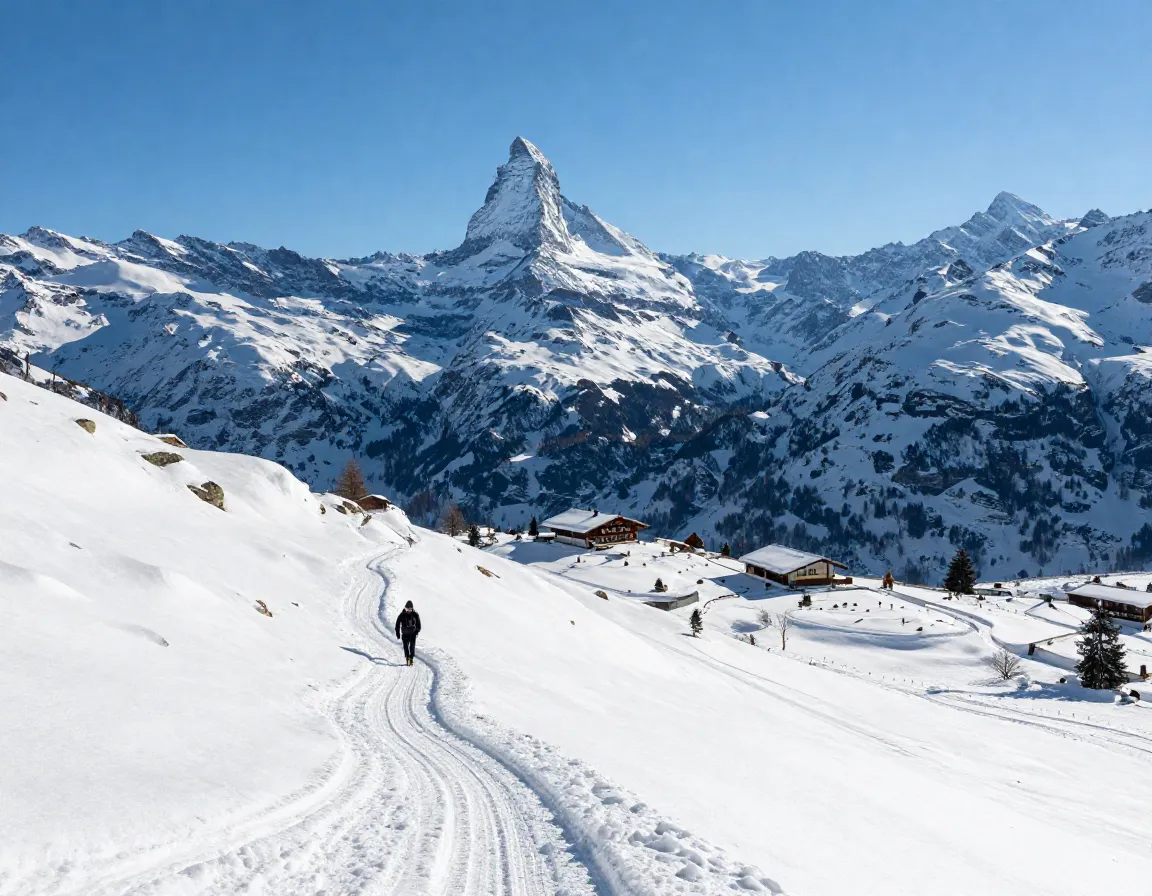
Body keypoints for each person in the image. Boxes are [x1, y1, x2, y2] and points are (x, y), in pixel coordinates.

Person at [395, 600, 421, 666]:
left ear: (412, 608)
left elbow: (419, 624)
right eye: (407, 609)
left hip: (413, 634)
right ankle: (407, 659)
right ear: (405, 608)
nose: (408, 611)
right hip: (405, 634)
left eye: (410, 609)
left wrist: (417, 631)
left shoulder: (415, 615)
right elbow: (397, 625)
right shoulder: (402, 615)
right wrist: (398, 634)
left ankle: (411, 659)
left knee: (412, 646)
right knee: (406, 647)